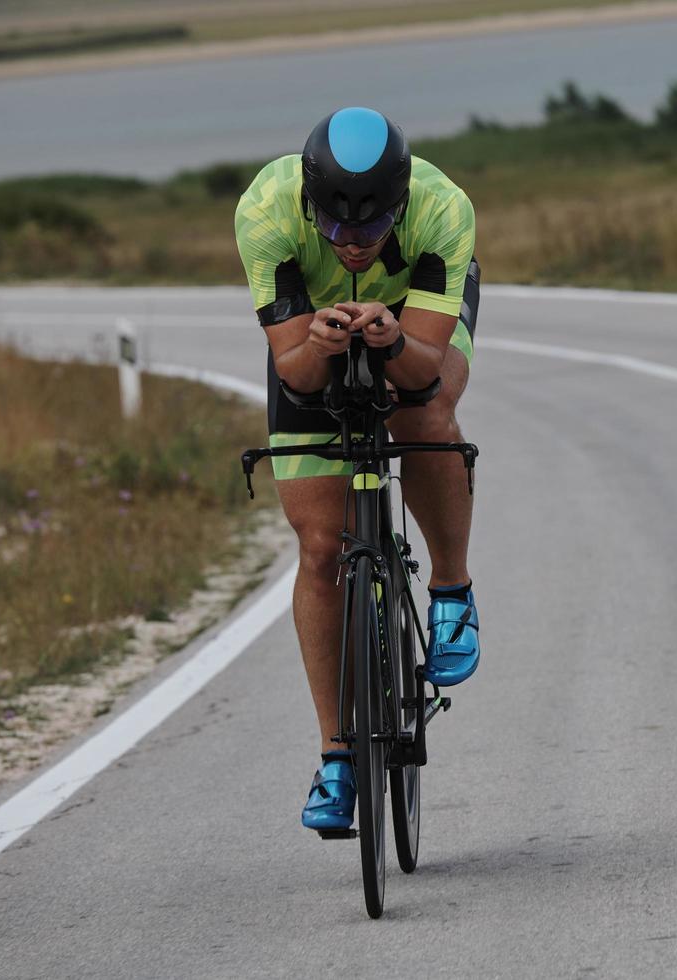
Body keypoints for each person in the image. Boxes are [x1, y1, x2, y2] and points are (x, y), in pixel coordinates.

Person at [234, 106, 481, 833]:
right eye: (338, 229)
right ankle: (337, 755)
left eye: (371, 231)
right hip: (312, 333)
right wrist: (321, 341)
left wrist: (393, 336)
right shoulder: (265, 212)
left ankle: (451, 590)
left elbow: (428, 371)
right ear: (311, 205)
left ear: (400, 205)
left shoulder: (442, 209)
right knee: (319, 550)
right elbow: (296, 376)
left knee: (424, 416)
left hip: (417, 325)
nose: (352, 244)